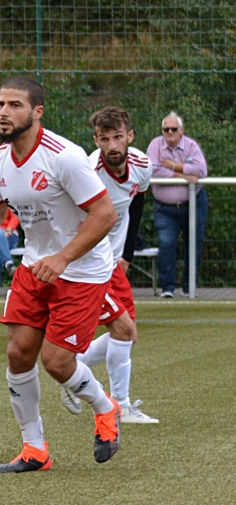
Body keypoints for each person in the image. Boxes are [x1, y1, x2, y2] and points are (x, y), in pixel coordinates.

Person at [0, 76, 121, 473]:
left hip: (82, 271)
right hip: (35, 267)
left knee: (56, 362)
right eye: (0, 104)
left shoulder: (64, 157)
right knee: (18, 353)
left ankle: (105, 408)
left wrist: (63, 258)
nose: (4, 112)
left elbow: (105, 215)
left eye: (15, 105)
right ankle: (35, 449)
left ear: (37, 112)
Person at [59, 107, 158, 424]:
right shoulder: (89, 171)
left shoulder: (142, 165)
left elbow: (137, 204)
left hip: (113, 262)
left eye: (118, 137)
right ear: (96, 141)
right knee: (124, 330)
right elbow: (73, 219)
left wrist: (126, 255)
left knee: (127, 334)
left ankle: (70, 370)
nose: (112, 145)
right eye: (105, 139)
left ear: (130, 136)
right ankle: (121, 406)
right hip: (89, 263)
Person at [146, 111, 209, 298]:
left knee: (194, 245)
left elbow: (201, 171)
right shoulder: (155, 145)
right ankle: (167, 288)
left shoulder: (191, 146)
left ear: (182, 130)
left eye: (174, 129)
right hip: (164, 208)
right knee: (166, 244)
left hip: (193, 204)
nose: (170, 132)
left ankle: (189, 288)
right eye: (166, 129)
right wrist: (183, 175)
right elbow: (152, 170)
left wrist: (173, 165)